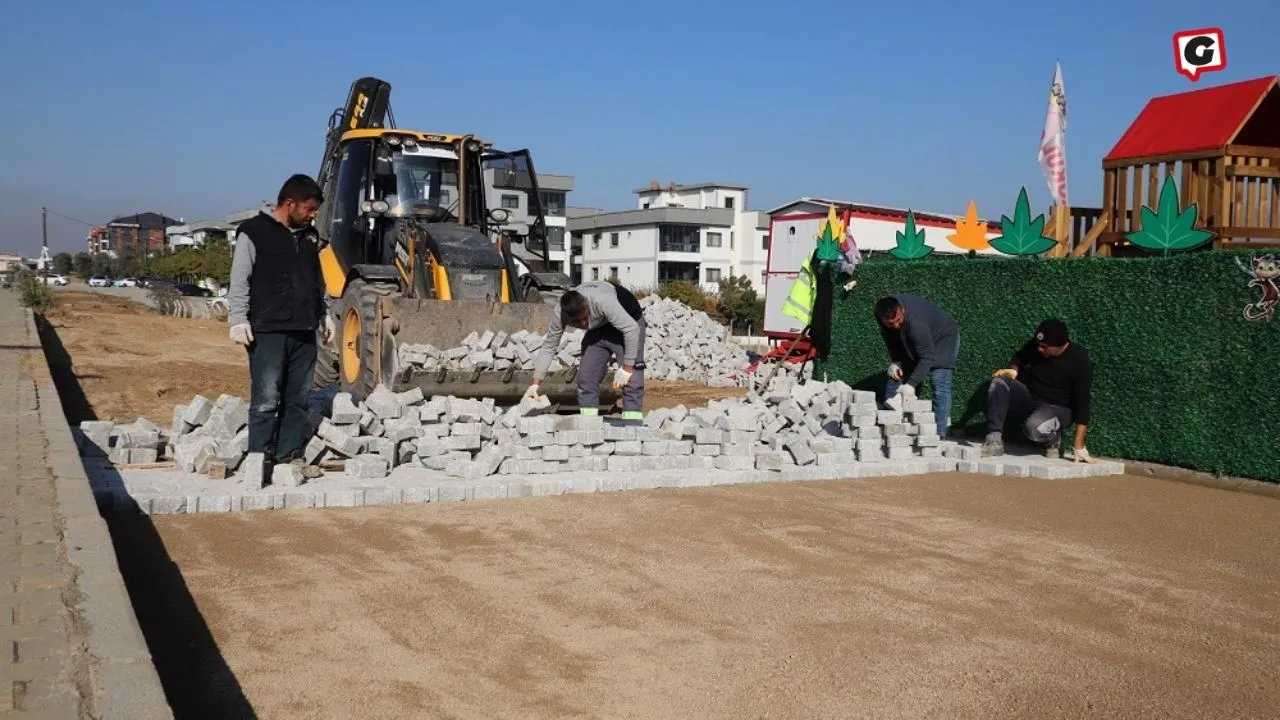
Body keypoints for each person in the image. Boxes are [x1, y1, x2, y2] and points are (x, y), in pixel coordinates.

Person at [227, 174, 335, 477]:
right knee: (266, 398)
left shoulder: (309, 236)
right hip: (268, 330)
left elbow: (318, 280)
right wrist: (237, 319)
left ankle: (288, 458)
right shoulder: (254, 232)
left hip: (303, 330)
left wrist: (324, 315)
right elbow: (239, 280)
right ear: (290, 204)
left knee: (297, 398)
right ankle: (259, 459)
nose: (313, 215)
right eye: (309, 209)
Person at [525, 281, 646, 420]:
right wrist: (535, 384)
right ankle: (589, 427)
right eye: (577, 321)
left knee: (631, 381)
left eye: (584, 318)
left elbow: (631, 329)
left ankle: (632, 427)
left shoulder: (603, 301)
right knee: (586, 379)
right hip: (598, 328)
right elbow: (549, 346)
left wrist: (627, 368)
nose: (583, 324)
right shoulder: (560, 313)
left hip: (628, 323)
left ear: (586, 304)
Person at [981, 318, 1096, 462]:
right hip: (1032, 399)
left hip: (1059, 409)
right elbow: (1020, 357)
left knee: (1034, 429)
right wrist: (1013, 370)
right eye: (1039, 345)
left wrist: (1079, 446)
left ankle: (1053, 439)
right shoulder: (1036, 347)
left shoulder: (1079, 359)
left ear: (1061, 345)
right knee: (999, 382)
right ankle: (994, 439)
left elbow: (1083, 404)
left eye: (1045, 347)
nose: (1040, 349)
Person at [875, 293, 960, 437]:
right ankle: (892, 429)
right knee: (897, 374)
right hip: (917, 337)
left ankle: (938, 435)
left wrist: (911, 385)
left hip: (943, 339)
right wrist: (895, 362)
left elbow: (927, 357)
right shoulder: (882, 314)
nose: (895, 326)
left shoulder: (916, 322)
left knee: (939, 384)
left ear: (902, 310)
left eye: (898, 321)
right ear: (882, 318)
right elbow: (891, 337)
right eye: (890, 323)